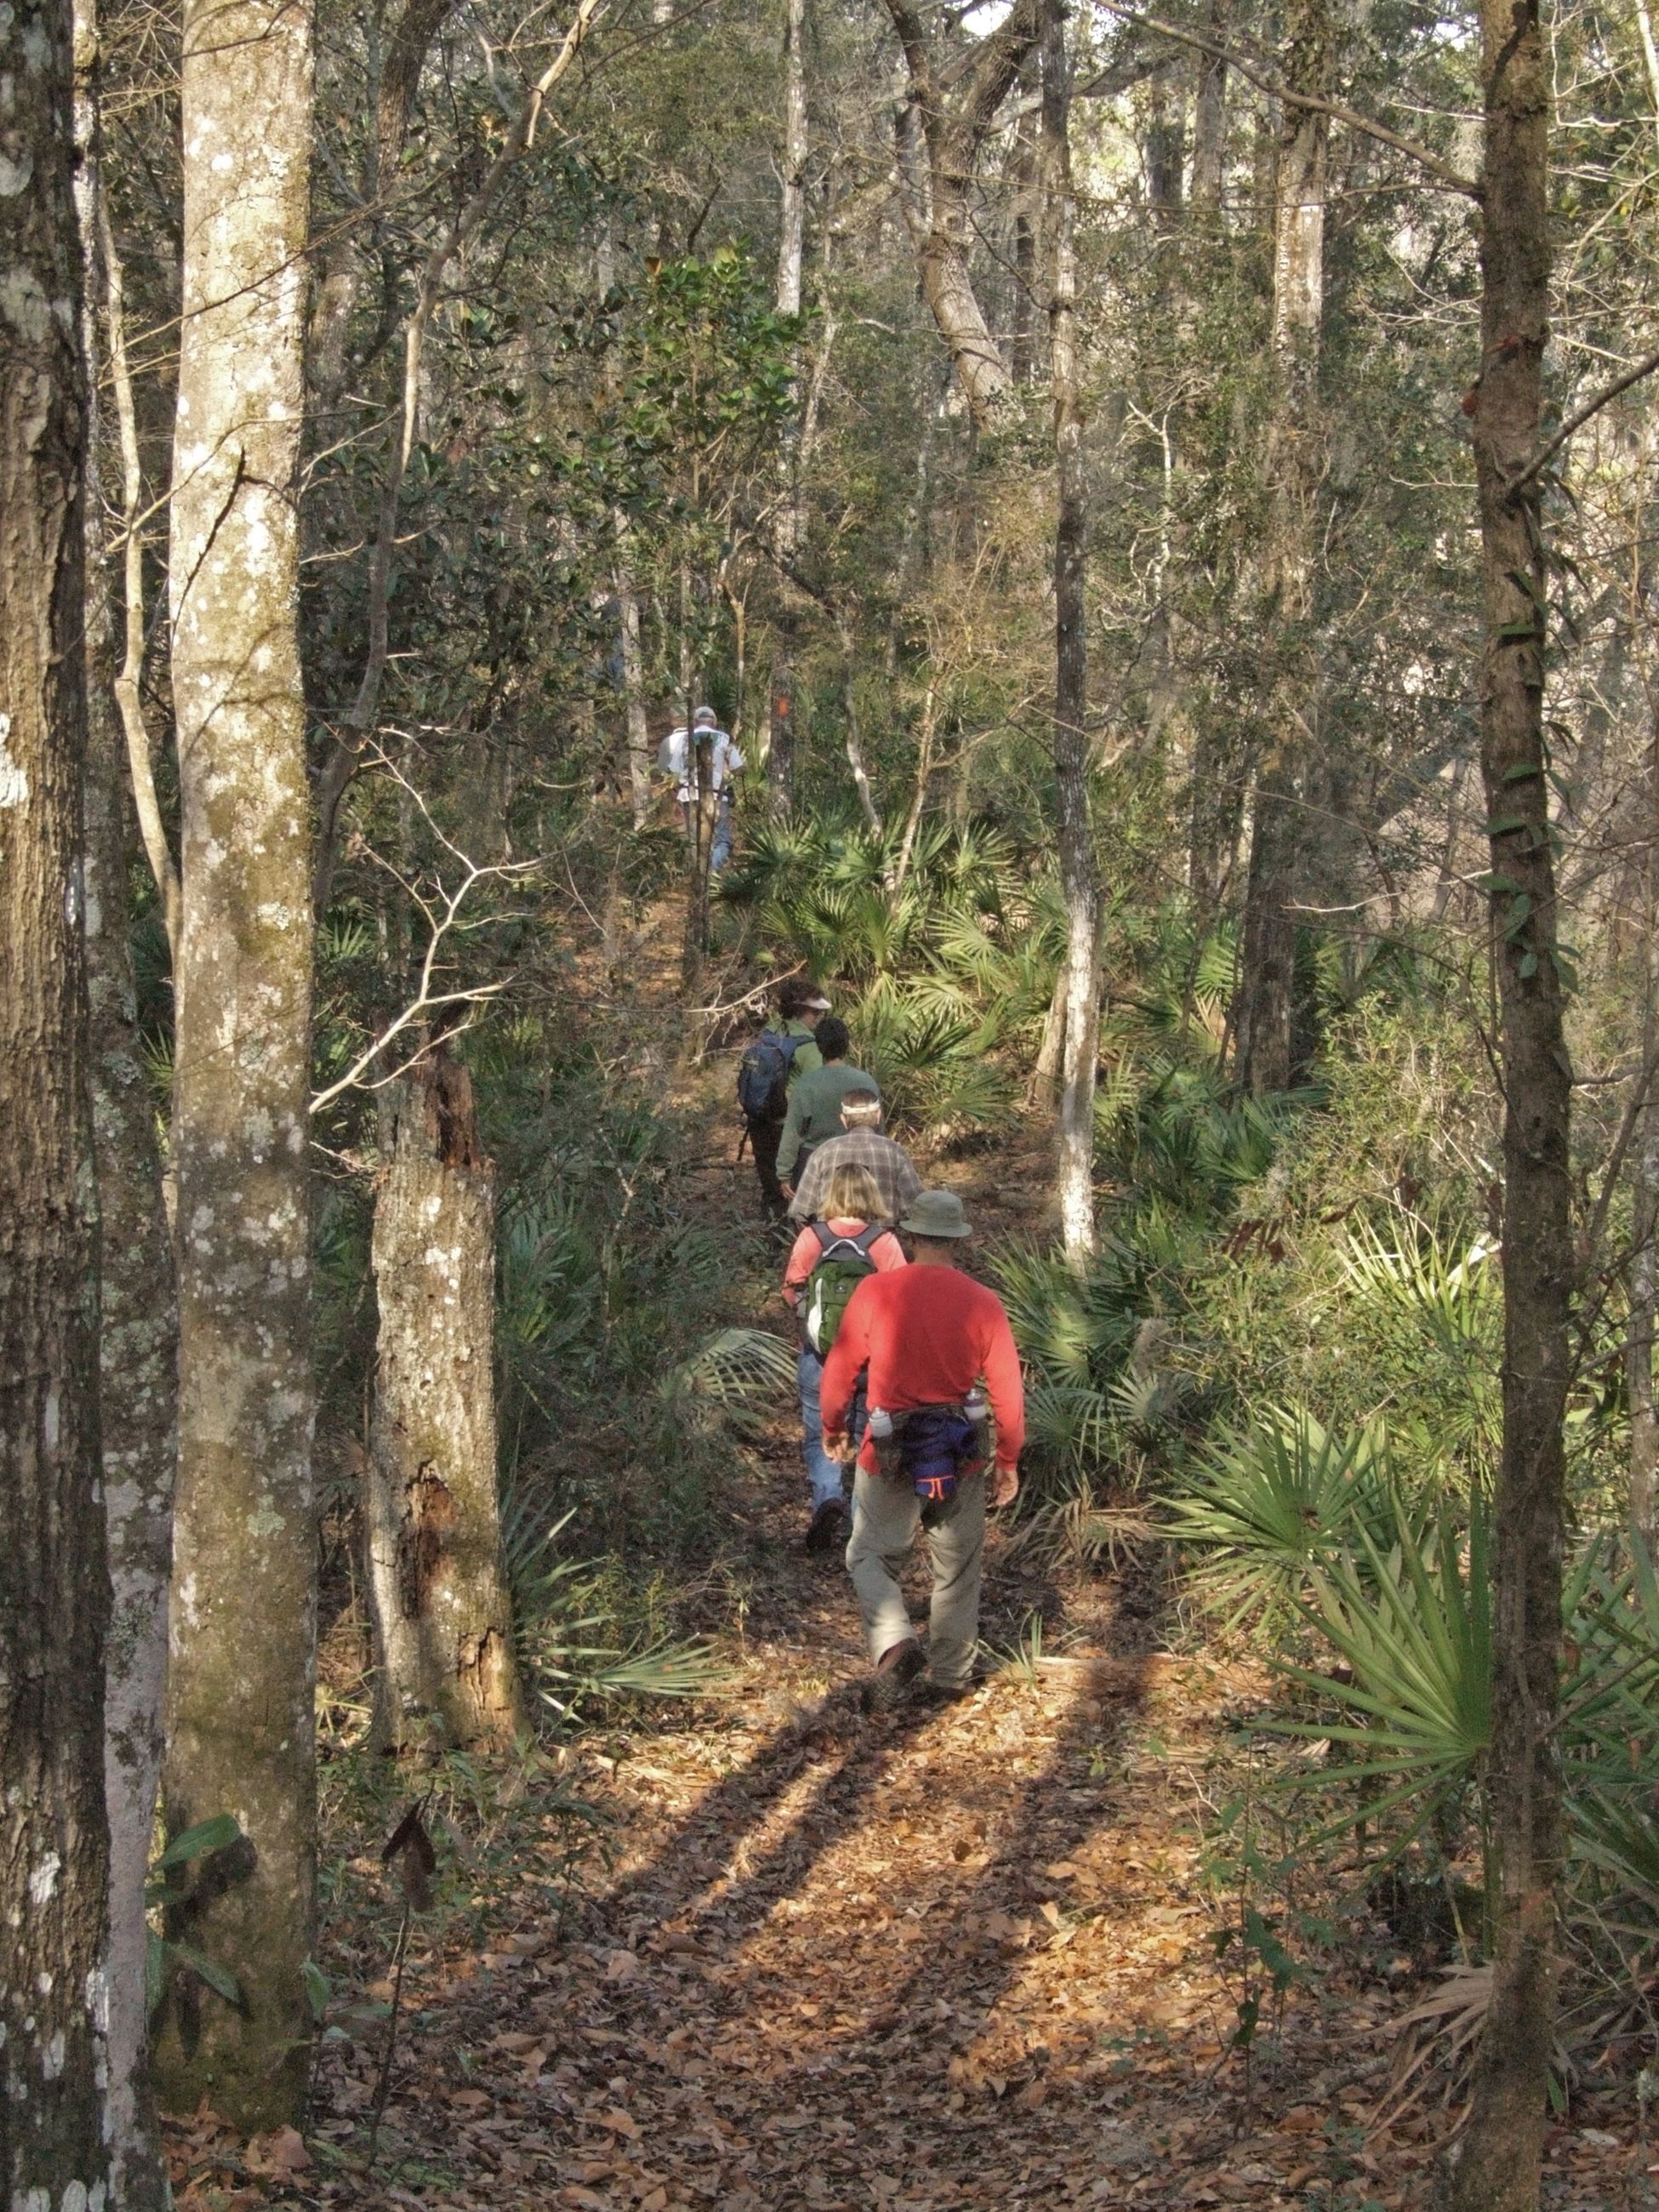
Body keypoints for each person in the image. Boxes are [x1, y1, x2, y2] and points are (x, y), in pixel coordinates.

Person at [819, 1189, 1023, 1711]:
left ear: (910, 1237)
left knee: (868, 1553)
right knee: (956, 1564)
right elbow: (1007, 1390)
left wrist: (834, 1426)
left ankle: (895, 1642)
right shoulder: (983, 1301)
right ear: (956, 1241)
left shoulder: (876, 1292)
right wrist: (1007, 1460)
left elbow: (841, 1368)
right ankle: (951, 1676)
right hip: (960, 1449)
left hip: (891, 1447)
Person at [782, 1164, 907, 1554]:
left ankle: (827, 1498)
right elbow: (901, 1299)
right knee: (864, 1435)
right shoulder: (883, 1242)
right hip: (872, 1360)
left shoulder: (811, 1237)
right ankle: (858, 1522)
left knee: (820, 1431)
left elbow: (791, 1290)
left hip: (818, 1356)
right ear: (871, 1195)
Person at [738, 978, 830, 1220]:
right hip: (788, 1128)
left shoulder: (771, 1030)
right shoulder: (809, 1047)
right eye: (814, 1011)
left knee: (771, 1189)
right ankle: (794, 1248)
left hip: (759, 1122)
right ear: (800, 1010)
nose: (818, 1017)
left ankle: (768, 1244)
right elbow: (816, 1091)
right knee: (796, 1192)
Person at [775, 1017, 880, 1194]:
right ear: (847, 1045)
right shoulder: (866, 1081)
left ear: (819, 1046)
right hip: (861, 1161)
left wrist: (784, 1173)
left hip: (815, 1162)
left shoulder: (807, 1084)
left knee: (817, 1218)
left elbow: (792, 1131)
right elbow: (878, 1127)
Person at [787, 1090, 922, 1227]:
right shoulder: (894, 1152)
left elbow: (801, 1211)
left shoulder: (823, 1152)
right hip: (882, 1241)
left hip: (831, 1241)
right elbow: (916, 1208)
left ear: (844, 1119)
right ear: (878, 1116)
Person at [662, 705, 744, 873]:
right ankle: (711, 873)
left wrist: (674, 796)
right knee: (723, 840)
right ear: (714, 722)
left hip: (689, 796)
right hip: (717, 797)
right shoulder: (724, 739)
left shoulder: (685, 739)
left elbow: (674, 772)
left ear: (695, 722)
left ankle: (698, 877)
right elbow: (739, 768)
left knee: (694, 840)